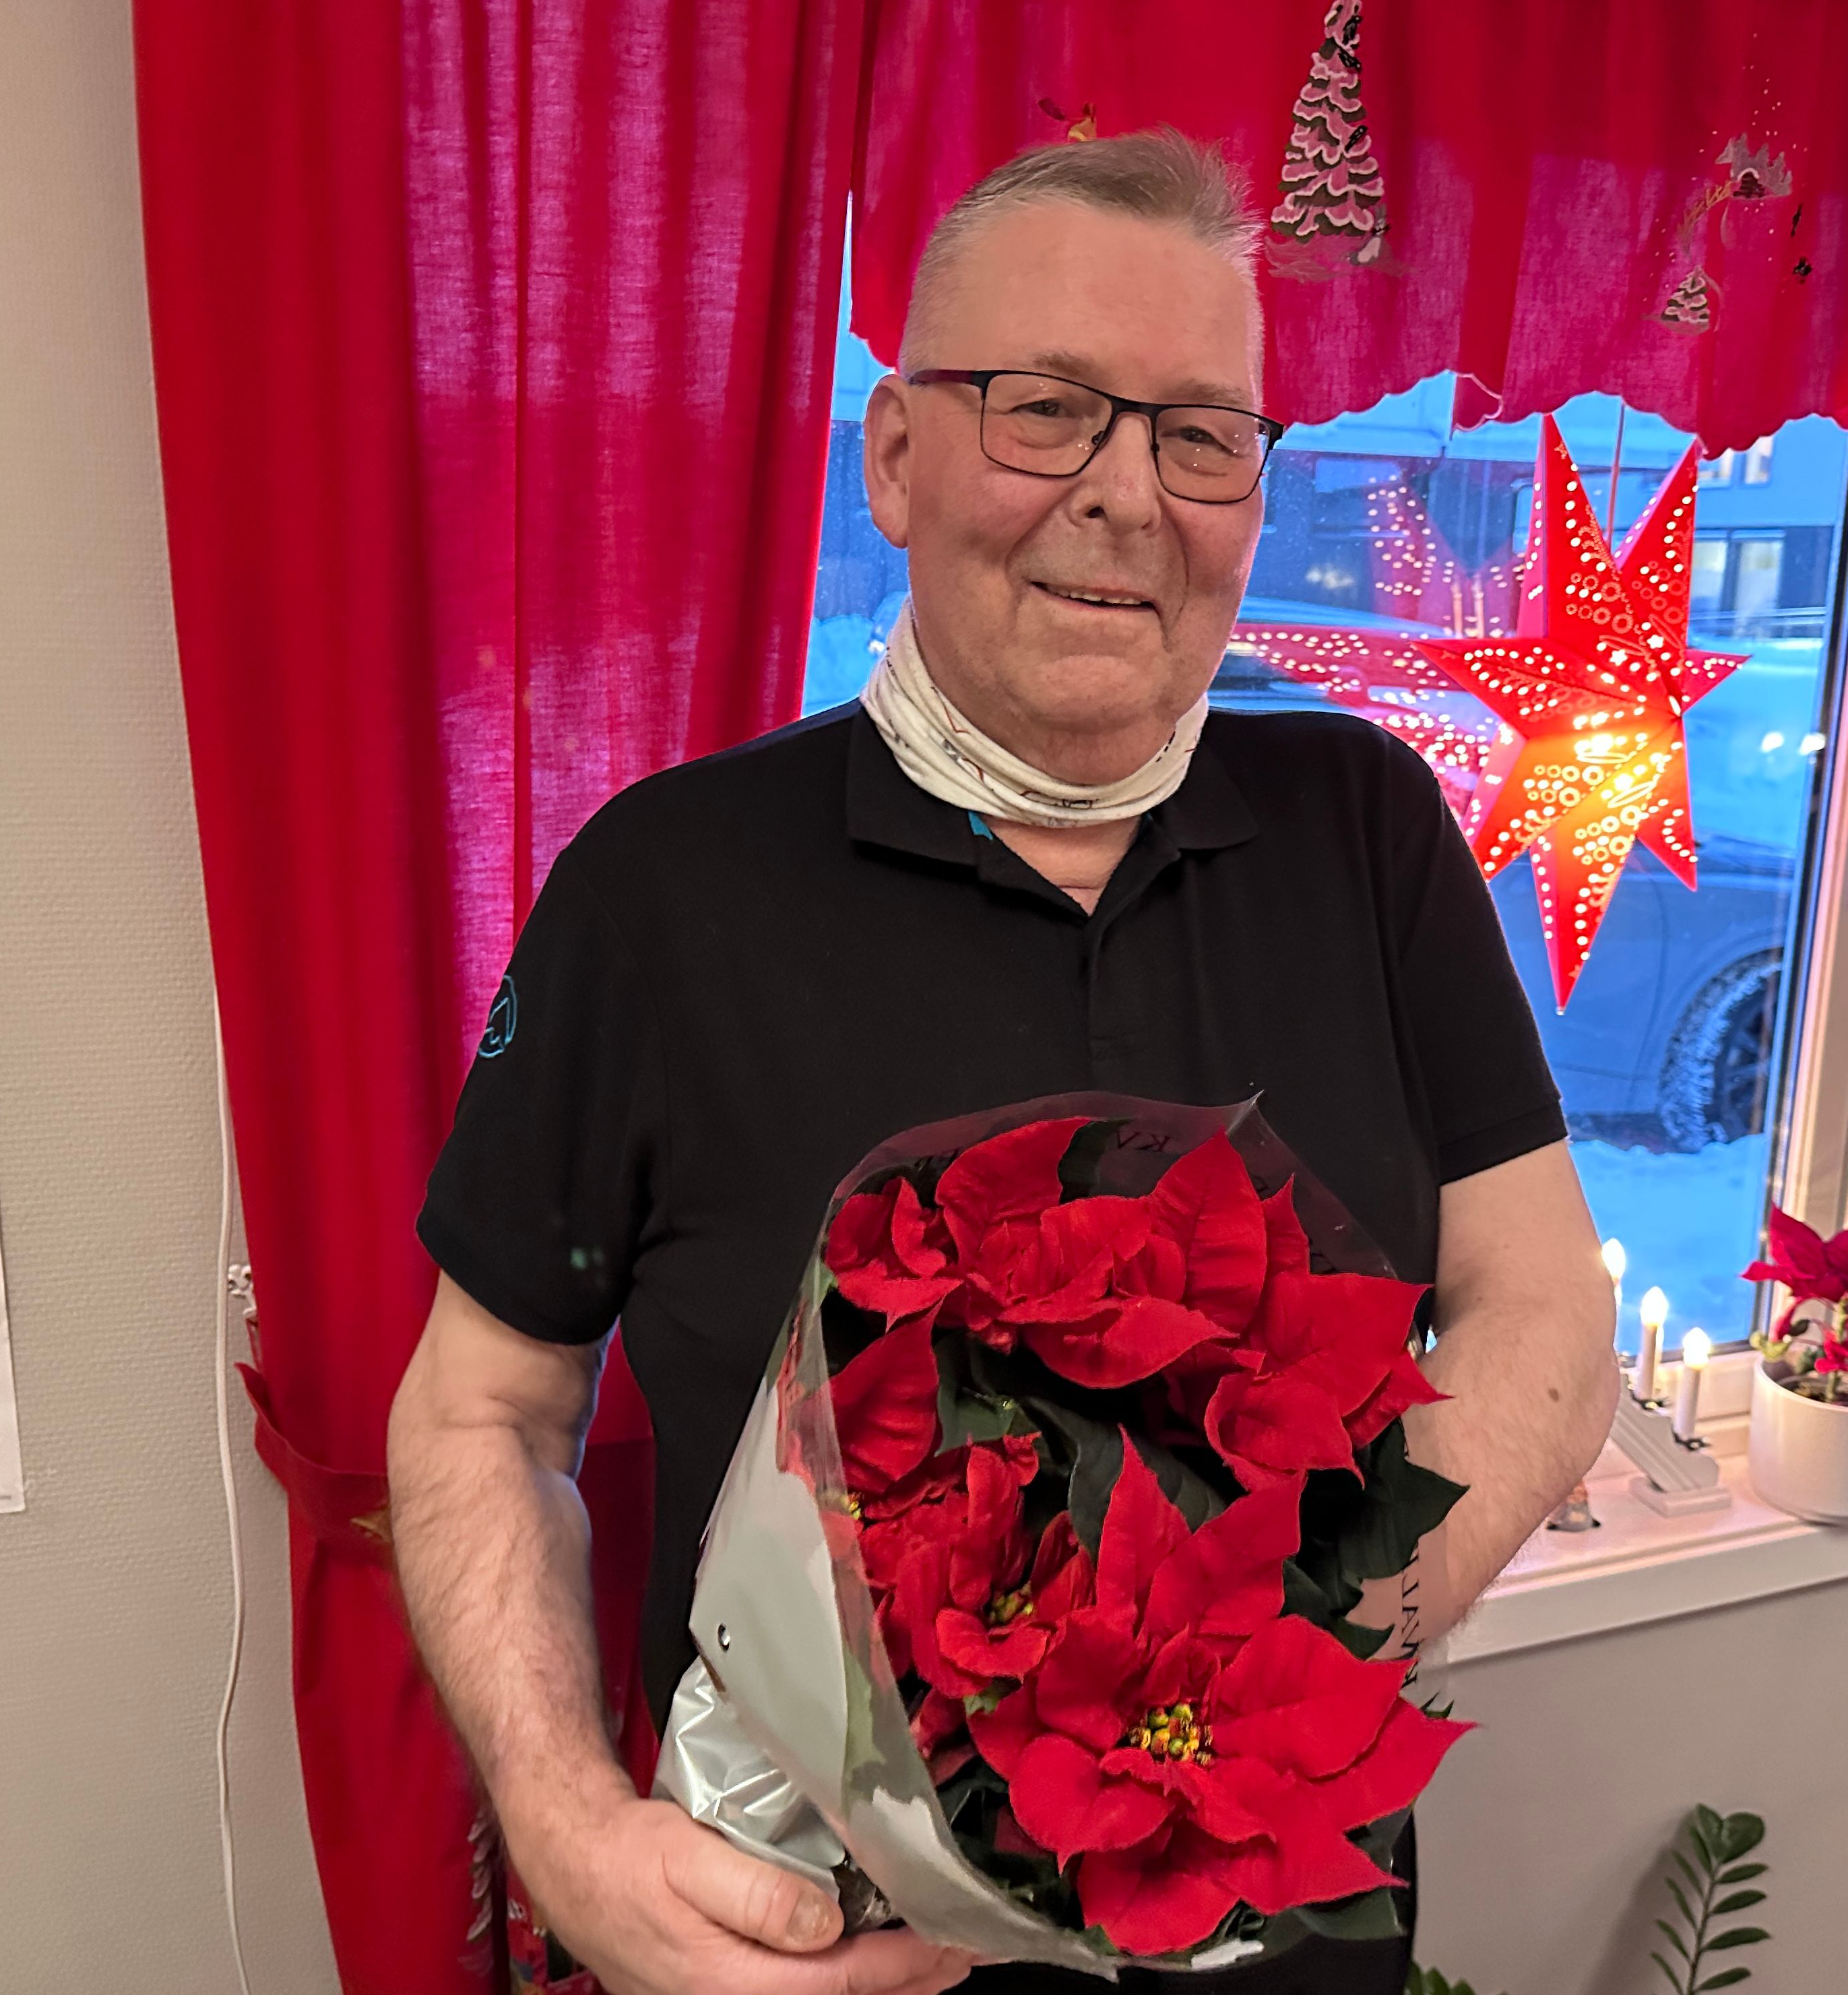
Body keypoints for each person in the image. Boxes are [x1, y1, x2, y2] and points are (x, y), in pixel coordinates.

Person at [387, 129, 1618, 1995]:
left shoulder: (1370, 833)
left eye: (1201, 435)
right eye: (1047, 410)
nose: (1128, 495)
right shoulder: (664, 889)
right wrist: (567, 1827)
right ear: (896, 456)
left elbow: (1543, 1312)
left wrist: (1254, 1681)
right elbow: (483, 1412)